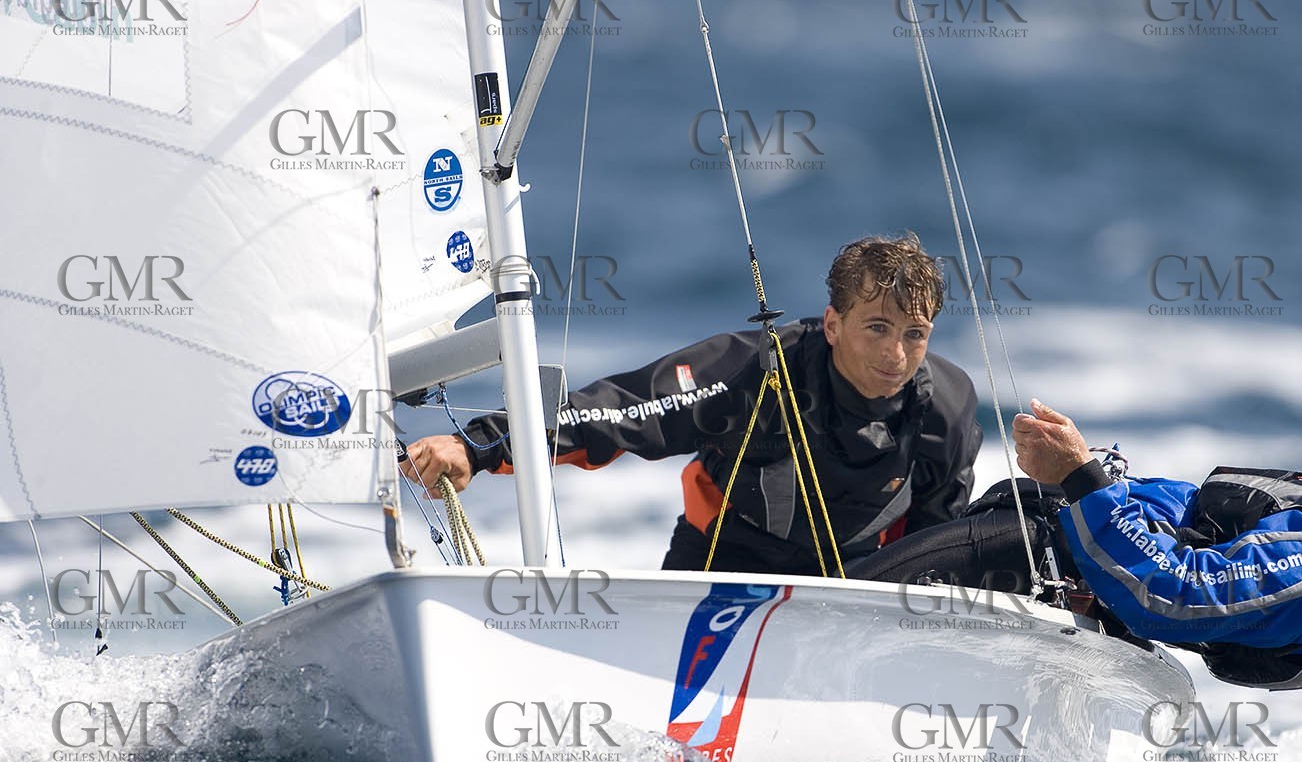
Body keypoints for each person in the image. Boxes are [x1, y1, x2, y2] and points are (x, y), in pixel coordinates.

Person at [854, 398, 1302, 690]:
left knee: (846, 594)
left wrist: (1082, 477)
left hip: (1034, 562)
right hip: (1055, 561)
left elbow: (1176, 592)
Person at [402, 234, 982, 575]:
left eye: (914, 334)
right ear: (833, 324)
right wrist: (477, 448)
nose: (896, 355)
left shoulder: (946, 408)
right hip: (722, 564)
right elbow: (617, 412)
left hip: (851, 581)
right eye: (877, 328)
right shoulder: (756, 371)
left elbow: (936, 540)